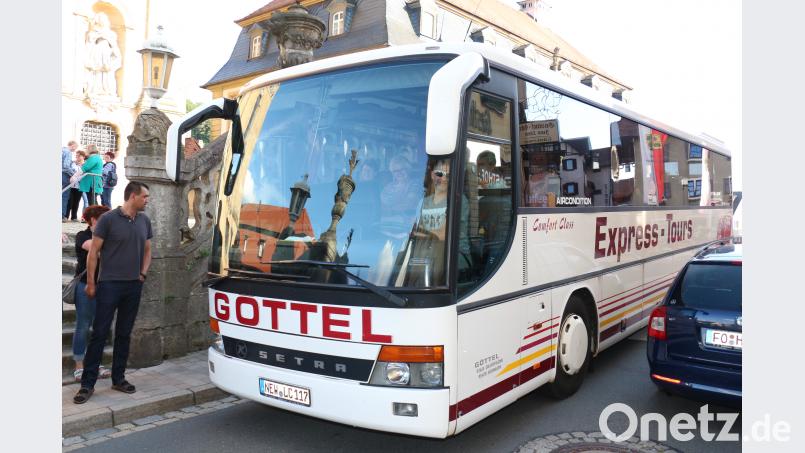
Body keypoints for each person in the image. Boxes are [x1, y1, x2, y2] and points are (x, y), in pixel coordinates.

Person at [74, 181, 152, 404]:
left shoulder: (144, 221)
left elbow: (148, 251)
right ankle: (87, 384)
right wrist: (91, 283)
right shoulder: (108, 219)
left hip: (132, 286)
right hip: (108, 284)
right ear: (133, 196)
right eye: (145, 197)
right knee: (99, 333)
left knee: (124, 334)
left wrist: (143, 274)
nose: (147, 200)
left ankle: (118, 378)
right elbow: (93, 253)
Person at [72, 205, 113, 382]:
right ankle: (79, 366)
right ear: (94, 220)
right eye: (105, 218)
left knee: (100, 327)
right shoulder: (83, 235)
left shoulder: (108, 237)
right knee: (83, 326)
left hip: (105, 287)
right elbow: (96, 248)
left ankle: (96, 364)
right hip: (84, 287)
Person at [67, 151, 87, 222]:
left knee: (77, 201)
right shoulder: (73, 163)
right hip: (72, 185)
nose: (77, 157)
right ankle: (66, 216)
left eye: (79, 156)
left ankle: (74, 217)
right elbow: (71, 171)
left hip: (80, 186)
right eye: (76, 156)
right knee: (70, 201)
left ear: (83, 157)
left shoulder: (85, 165)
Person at [62, 140, 78, 221]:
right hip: (64, 176)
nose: (75, 149)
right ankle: (62, 216)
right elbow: (66, 166)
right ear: (72, 145)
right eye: (75, 147)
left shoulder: (61, 149)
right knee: (64, 196)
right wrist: (74, 174)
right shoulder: (68, 152)